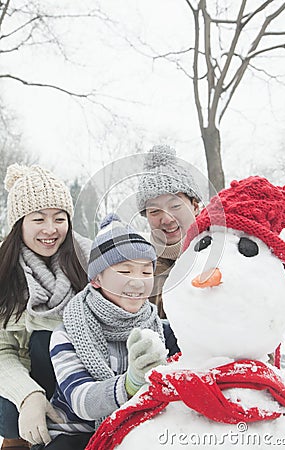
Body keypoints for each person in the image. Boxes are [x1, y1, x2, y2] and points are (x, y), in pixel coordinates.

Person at [30, 213, 167, 450]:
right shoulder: (69, 333)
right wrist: (130, 383)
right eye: (124, 271)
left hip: (136, 428)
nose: (137, 282)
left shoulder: (160, 330)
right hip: (73, 433)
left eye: (146, 272)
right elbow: (81, 401)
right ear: (96, 279)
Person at [0, 164, 91, 450]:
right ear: (19, 224)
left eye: (59, 218)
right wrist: (28, 395)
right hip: (30, 375)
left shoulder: (89, 259)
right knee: (11, 412)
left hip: (82, 374)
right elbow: (2, 351)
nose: (51, 230)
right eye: (39, 219)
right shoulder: (6, 273)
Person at [136, 144, 202, 320]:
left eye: (175, 206)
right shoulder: (142, 268)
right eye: (155, 211)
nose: (167, 219)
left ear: (194, 206)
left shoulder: (222, 251)